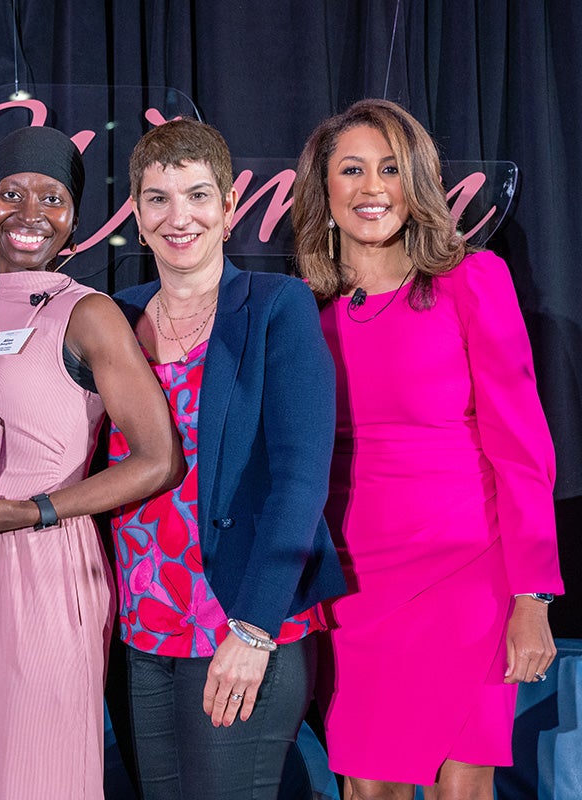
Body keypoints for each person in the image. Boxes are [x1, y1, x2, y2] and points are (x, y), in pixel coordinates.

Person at [0, 126, 183, 800]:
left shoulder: (89, 315)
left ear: (74, 221)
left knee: (41, 782)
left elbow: (158, 458)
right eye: (11, 194)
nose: (30, 213)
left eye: (51, 198)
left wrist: (37, 509)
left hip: (48, 570)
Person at [291, 98, 563, 799]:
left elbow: (522, 446)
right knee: (366, 788)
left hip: (469, 575)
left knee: (463, 784)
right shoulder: (300, 313)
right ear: (324, 190)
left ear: (416, 185)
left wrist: (532, 595)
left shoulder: (472, 282)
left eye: (390, 169)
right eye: (352, 170)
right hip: (356, 586)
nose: (373, 188)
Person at [105, 117, 346, 799]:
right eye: (158, 198)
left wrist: (256, 627)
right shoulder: (112, 319)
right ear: (136, 213)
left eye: (198, 195)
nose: (179, 217)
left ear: (230, 207)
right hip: (142, 630)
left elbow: (300, 482)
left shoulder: (277, 305)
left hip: (237, 620)